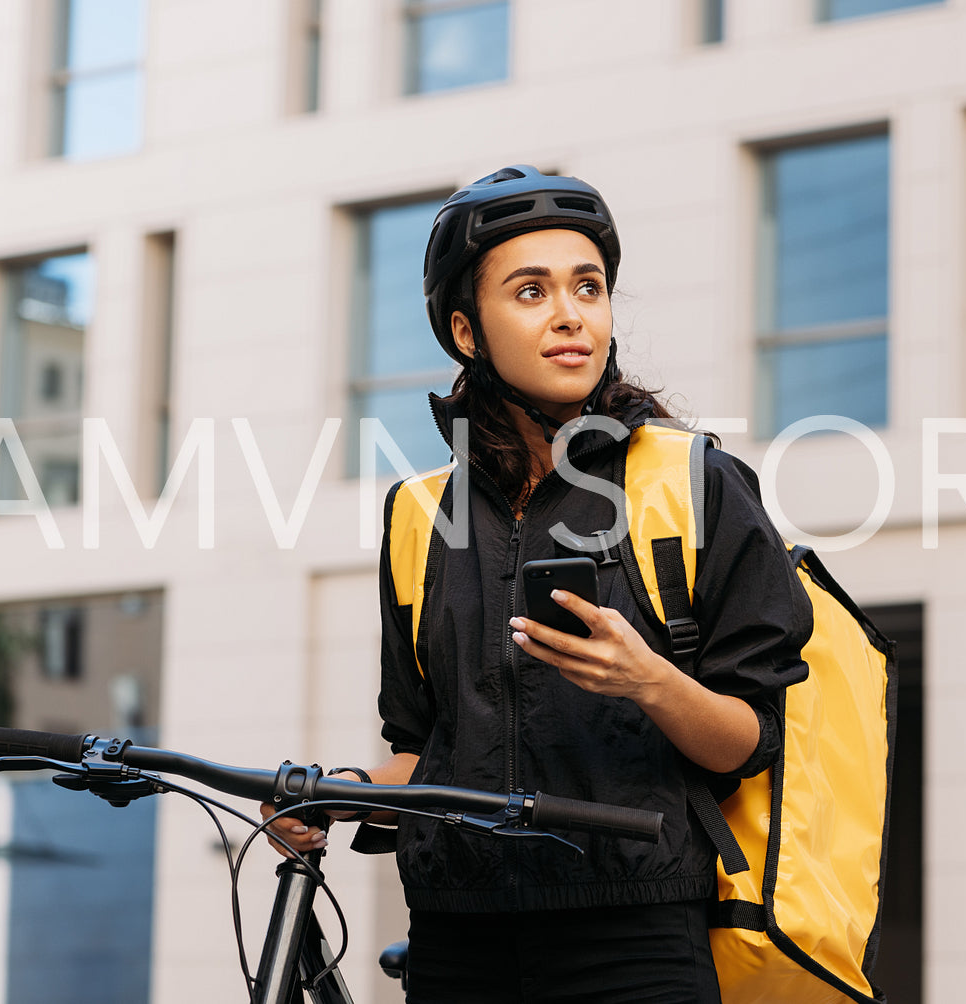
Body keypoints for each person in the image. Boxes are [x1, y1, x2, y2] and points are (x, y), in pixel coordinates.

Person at [263, 166, 810, 1003]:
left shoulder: (691, 480)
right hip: (457, 933)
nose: (570, 315)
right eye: (530, 291)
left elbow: (750, 739)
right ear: (466, 331)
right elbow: (425, 748)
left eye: (588, 288)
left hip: (634, 932)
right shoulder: (418, 512)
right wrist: (331, 796)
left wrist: (648, 682)